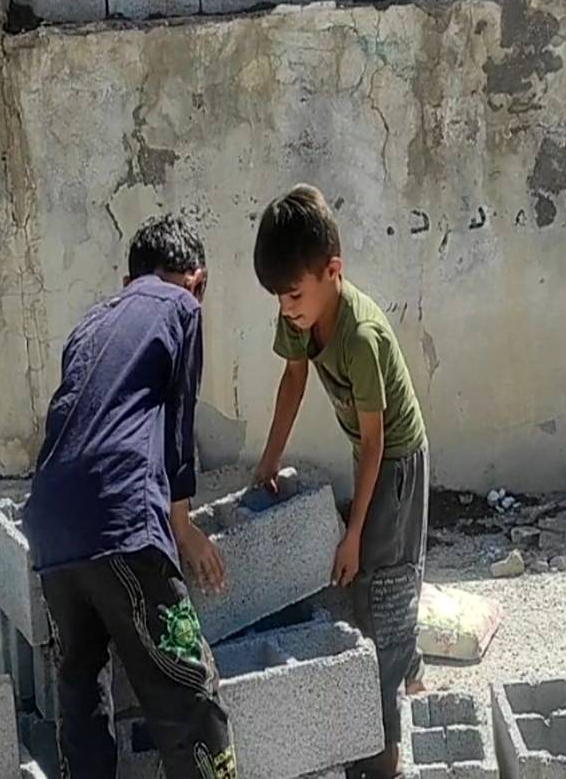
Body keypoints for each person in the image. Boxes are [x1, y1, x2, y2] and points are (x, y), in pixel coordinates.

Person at [22, 215, 236, 778]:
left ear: (128, 280)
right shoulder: (181, 307)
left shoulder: (89, 324)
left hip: (50, 531)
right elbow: (177, 429)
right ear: (197, 281)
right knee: (188, 690)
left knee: (81, 685)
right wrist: (183, 528)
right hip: (121, 523)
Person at [251, 184, 429, 777]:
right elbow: (293, 381)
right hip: (370, 454)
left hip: (397, 460)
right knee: (366, 581)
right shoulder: (300, 316)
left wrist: (353, 534)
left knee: (382, 584)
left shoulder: (362, 336)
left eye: (294, 295)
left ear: (333, 271)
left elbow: (378, 444)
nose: (286, 309)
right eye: (279, 298)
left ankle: (384, 751)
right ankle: (405, 664)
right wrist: (268, 461)